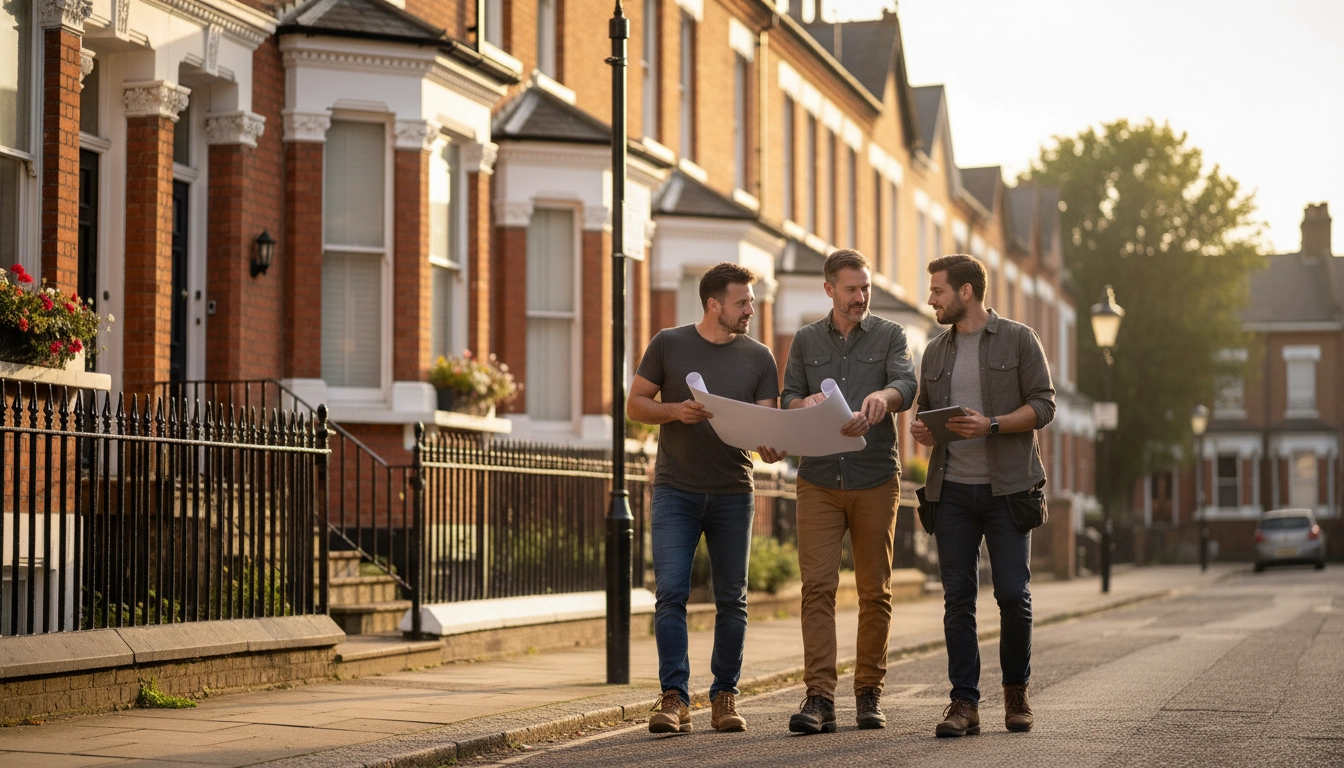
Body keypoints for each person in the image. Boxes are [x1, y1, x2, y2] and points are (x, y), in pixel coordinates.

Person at [628, 262, 785, 734]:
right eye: (743, 302)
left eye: (751, 302)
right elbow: (635, 403)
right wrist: (675, 410)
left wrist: (772, 446)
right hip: (676, 489)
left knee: (732, 598)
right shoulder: (668, 343)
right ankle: (674, 697)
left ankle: (724, 695)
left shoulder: (759, 358)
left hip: (734, 492)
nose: (751, 310)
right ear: (714, 304)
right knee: (670, 593)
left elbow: (766, 427)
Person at [911, 254, 1055, 737]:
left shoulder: (1018, 339)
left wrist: (991, 424)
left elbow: (1043, 405)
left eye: (938, 291)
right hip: (950, 491)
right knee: (958, 599)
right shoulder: (934, 351)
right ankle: (964, 703)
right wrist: (924, 432)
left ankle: (1017, 693)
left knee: (1013, 595)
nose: (931, 298)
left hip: (1008, 490)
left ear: (966, 292)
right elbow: (926, 412)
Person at [780, 249, 917, 734]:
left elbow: (906, 380)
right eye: (851, 289)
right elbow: (788, 396)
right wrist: (806, 401)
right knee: (817, 588)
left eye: (865, 288)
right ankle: (819, 697)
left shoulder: (889, 335)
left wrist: (883, 397)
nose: (860, 297)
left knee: (874, 590)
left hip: (874, 477)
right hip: (817, 479)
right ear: (829, 290)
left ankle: (868, 692)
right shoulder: (804, 340)